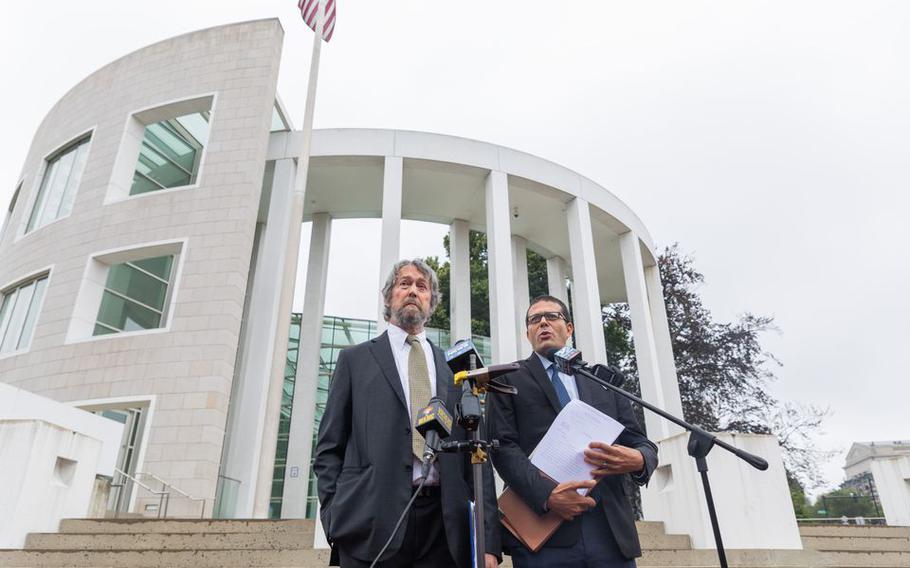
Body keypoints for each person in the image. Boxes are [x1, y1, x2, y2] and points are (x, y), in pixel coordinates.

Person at [314, 259, 501, 568]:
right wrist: (335, 516)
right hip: (371, 525)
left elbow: (476, 453)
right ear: (389, 297)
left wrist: (487, 539)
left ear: (431, 303)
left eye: (422, 286)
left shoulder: (455, 368)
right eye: (405, 284)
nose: (413, 290)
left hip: (446, 530)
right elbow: (328, 448)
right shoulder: (354, 361)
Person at [488, 295, 659, 568]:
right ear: (528, 333)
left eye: (552, 316)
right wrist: (547, 496)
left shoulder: (601, 380)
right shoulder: (507, 379)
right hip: (543, 529)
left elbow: (639, 441)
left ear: (569, 329)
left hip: (609, 531)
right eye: (535, 319)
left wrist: (640, 460)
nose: (543, 322)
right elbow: (503, 447)